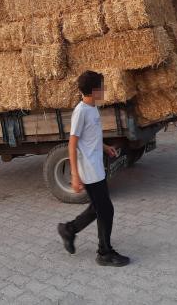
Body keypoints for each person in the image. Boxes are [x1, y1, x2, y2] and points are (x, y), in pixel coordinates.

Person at [57, 71, 131, 267]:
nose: (105, 90)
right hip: (88, 170)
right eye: (102, 87)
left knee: (97, 208)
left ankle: (69, 229)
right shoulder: (81, 111)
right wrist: (74, 175)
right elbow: (72, 144)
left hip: (96, 165)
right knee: (106, 210)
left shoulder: (92, 108)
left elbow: (90, 138)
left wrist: (105, 147)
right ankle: (104, 253)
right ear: (93, 90)